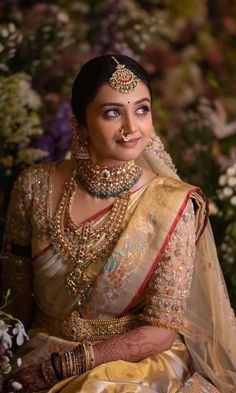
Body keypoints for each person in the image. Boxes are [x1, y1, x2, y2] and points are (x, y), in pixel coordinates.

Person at [1, 54, 236, 393]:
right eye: (113, 112)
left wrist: (63, 367)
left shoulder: (172, 204)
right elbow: (15, 301)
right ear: (79, 123)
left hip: (131, 368)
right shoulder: (34, 186)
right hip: (38, 349)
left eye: (142, 109)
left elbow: (161, 329)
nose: (132, 128)